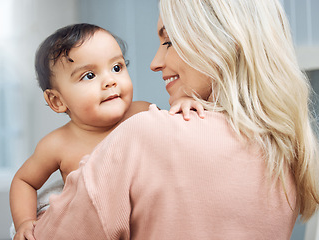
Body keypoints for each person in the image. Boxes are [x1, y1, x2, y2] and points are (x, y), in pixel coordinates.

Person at [34, 0, 319, 239]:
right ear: (55, 100)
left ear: (220, 42)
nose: (155, 62)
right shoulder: (286, 154)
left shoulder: (144, 134)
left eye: (168, 41)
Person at [9, 23, 203, 240]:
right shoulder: (57, 144)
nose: (110, 81)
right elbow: (24, 181)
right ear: (57, 100)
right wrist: (25, 222)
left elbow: (177, 144)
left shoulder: (143, 113)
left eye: (117, 67)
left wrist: (184, 103)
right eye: (89, 75)